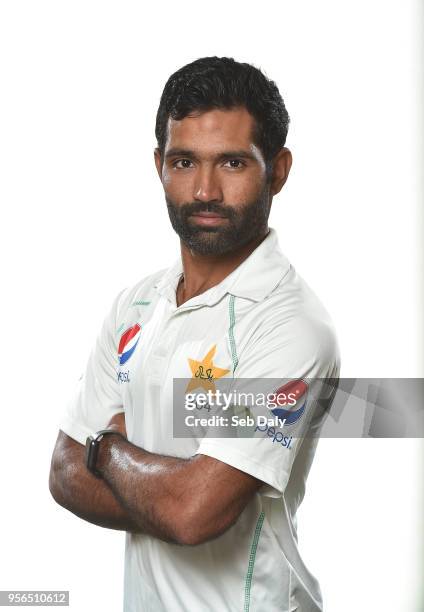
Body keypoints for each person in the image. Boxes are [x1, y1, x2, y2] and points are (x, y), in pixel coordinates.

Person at [49, 56, 340, 612]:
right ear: (159, 164)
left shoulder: (290, 328)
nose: (204, 191)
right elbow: (63, 472)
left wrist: (107, 448)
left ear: (278, 170)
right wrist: (166, 486)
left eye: (232, 163)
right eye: (184, 162)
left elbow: (193, 513)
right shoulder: (135, 305)